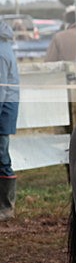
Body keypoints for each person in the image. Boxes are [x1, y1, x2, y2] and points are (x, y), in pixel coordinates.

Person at [0, 21, 20, 221]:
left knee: (2, 157)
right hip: (5, 112)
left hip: (3, 113)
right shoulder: (5, 47)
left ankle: (6, 206)